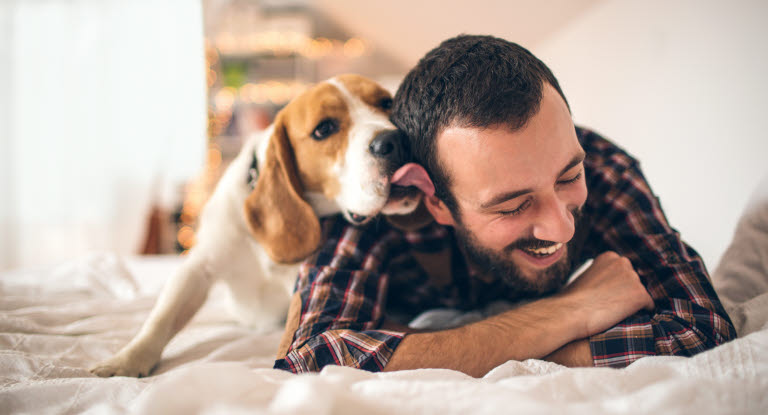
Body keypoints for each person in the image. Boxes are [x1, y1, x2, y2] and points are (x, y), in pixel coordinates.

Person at [273, 35, 736, 377]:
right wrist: (569, 311)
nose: (561, 228)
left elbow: (700, 328)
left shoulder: (604, 166)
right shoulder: (380, 200)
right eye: (512, 206)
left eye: (569, 177)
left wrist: (431, 352)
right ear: (435, 201)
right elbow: (310, 360)